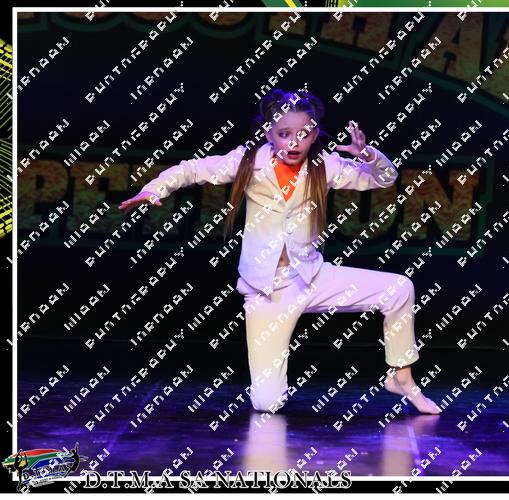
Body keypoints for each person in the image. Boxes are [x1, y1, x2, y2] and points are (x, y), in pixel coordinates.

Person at [118, 88, 441, 415]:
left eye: (303, 133)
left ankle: (401, 377)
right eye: (284, 134)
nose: (294, 142)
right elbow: (192, 169)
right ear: (267, 132)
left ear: (314, 134)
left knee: (399, 289)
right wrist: (153, 189)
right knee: (267, 403)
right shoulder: (249, 162)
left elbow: (385, 179)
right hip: (267, 291)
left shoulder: (325, 165)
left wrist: (367, 155)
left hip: (311, 277)